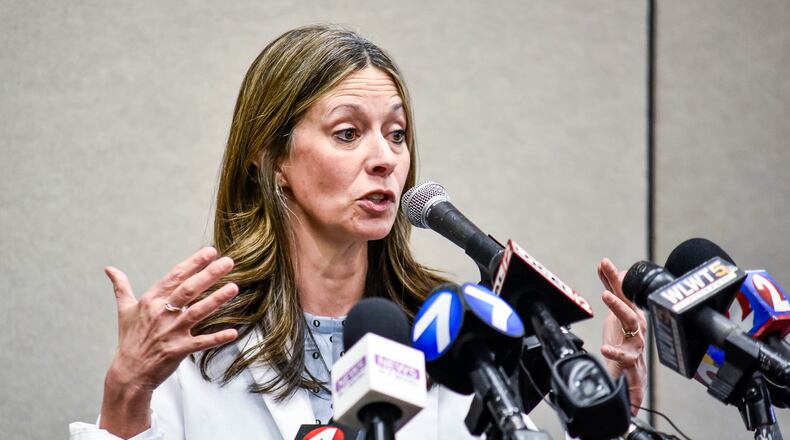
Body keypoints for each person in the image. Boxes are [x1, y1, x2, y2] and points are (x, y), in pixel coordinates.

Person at [70, 24, 647, 440]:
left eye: (396, 134)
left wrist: (604, 417)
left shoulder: (450, 337)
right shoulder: (197, 344)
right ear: (272, 158)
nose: (385, 159)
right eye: (348, 133)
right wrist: (126, 391)